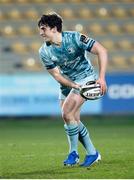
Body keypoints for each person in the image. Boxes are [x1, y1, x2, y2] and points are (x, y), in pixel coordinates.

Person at [38, 12, 107, 167]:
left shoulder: (75, 38)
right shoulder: (44, 51)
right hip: (68, 83)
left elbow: (102, 51)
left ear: (54, 28)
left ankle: (73, 153)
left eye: (43, 29)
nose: (40, 33)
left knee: (67, 113)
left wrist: (101, 78)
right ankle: (92, 153)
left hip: (86, 78)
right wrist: (73, 85)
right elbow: (56, 75)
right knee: (70, 118)